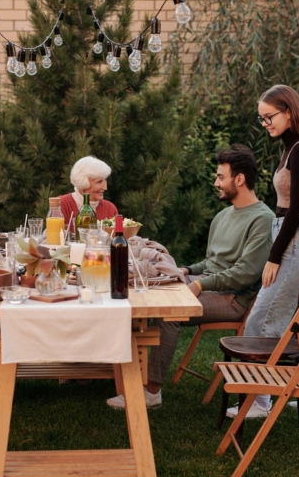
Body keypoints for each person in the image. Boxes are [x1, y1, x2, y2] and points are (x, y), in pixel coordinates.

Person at [107, 145, 274, 409]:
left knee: (168, 313)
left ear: (239, 179)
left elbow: (245, 274)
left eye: (221, 176)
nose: (216, 182)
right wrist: (185, 271)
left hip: (234, 299)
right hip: (210, 284)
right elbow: (212, 262)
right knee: (141, 293)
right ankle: (116, 372)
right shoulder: (222, 216)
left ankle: (151, 392)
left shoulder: (263, 220)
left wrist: (199, 284)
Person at [232, 85, 299, 419]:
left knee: (265, 317)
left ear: (289, 111)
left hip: (296, 236)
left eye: (269, 116)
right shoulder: (291, 149)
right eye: (261, 119)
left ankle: (261, 399)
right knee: (271, 314)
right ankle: (284, 391)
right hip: (289, 233)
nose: (266, 123)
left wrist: (274, 256)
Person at [59, 155, 119, 233]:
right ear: (83, 182)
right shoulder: (61, 204)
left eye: (105, 181)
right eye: (99, 182)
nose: (105, 187)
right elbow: (54, 238)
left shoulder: (110, 209)